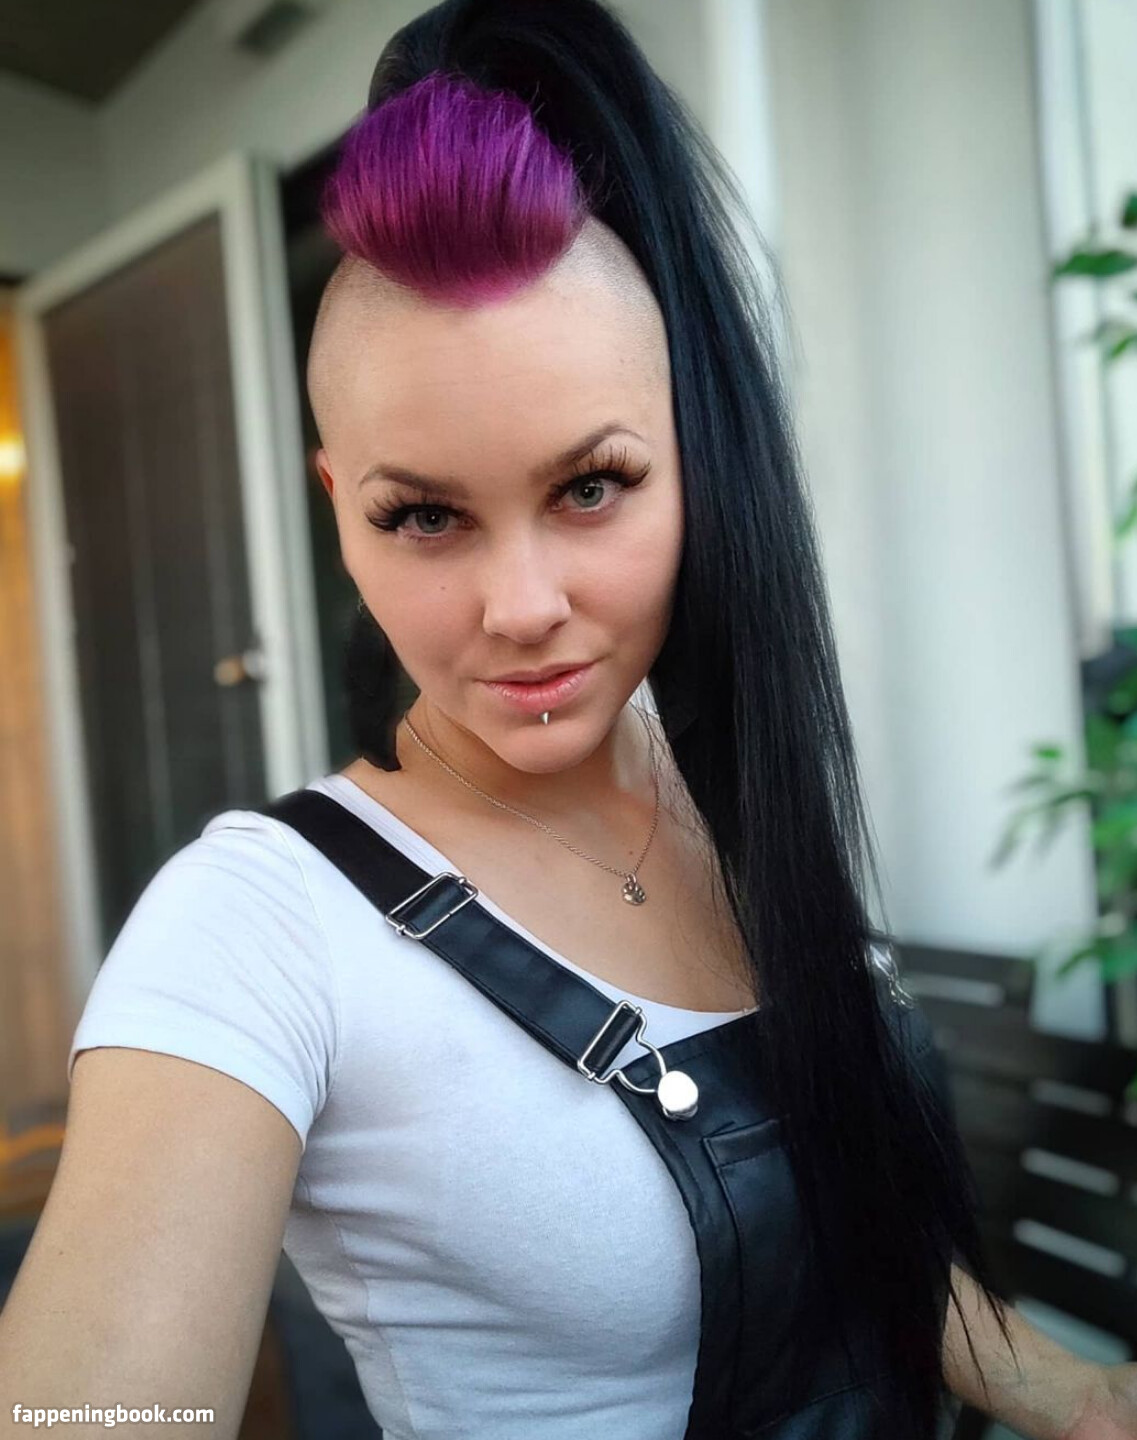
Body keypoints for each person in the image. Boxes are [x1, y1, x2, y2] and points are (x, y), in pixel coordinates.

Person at [1, 1, 1135, 1437]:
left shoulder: (731, 792)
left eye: (591, 486)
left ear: (694, 461)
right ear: (337, 504)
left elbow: (857, 1224)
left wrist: (1076, 1397)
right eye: (423, 516)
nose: (521, 606)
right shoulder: (258, 928)